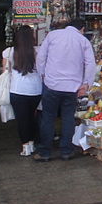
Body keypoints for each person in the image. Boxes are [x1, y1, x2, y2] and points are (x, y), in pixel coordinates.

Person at [34, 18, 96, 162]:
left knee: (48, 118)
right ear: (81, 29)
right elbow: (90, 64)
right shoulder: (83, 40)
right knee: (68, 118)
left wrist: (42, 75)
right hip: (72, 87)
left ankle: (44, 153)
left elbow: (41, 58)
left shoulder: (52, 35)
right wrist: (86, 84)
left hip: (52, 85)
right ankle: (66, 151)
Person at [2, 25, 43, 157]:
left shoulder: (8, 52)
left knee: (22, 119)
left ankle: (25, 146)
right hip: (35, 90)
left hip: (17, 90)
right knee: (32, 117)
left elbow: (5, 71)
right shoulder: (38, 51)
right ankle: (32, 142)